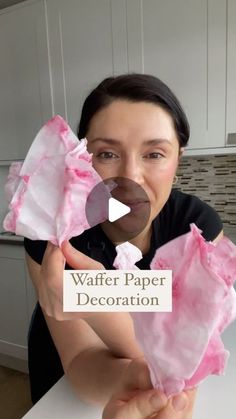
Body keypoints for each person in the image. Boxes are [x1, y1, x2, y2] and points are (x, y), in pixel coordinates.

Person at [24, 74, 223, 418]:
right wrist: (137, 375)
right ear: (83, 159)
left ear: (178, 160)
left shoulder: (197, 228)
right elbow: (80, 360)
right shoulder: (55, 234)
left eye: (155, 154)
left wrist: (96, 295)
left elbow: (192, 340)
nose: (130, 176)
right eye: (107, 153)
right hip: (65, 394)